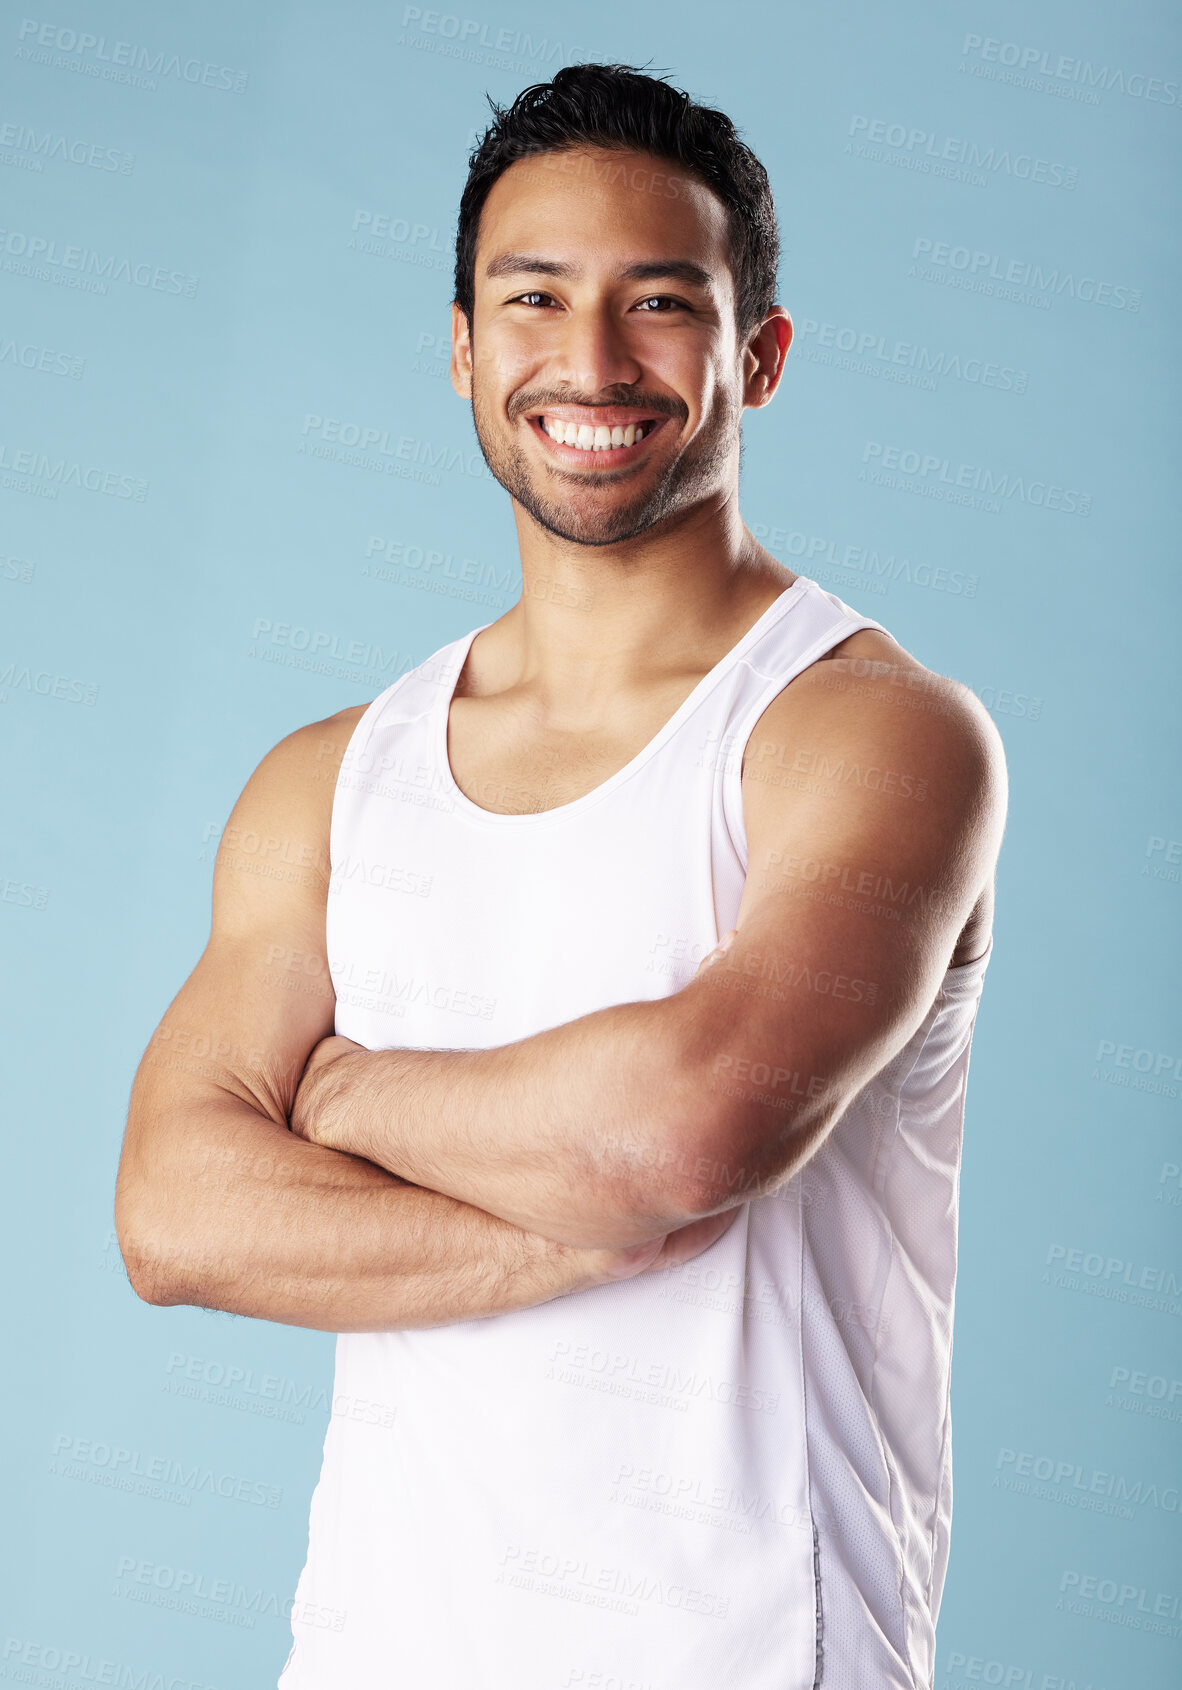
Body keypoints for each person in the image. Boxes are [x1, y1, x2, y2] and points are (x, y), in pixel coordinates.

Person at [115, 61, 1007, 1690]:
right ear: (462, 346)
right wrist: (586, 1227)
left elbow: (685, 1125)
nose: (589, 362)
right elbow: (174, 1214)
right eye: (532, 297)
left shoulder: (871, 736)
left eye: (657, 301)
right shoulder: (330, 779)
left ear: (759, 353)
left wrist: (343, 1092)